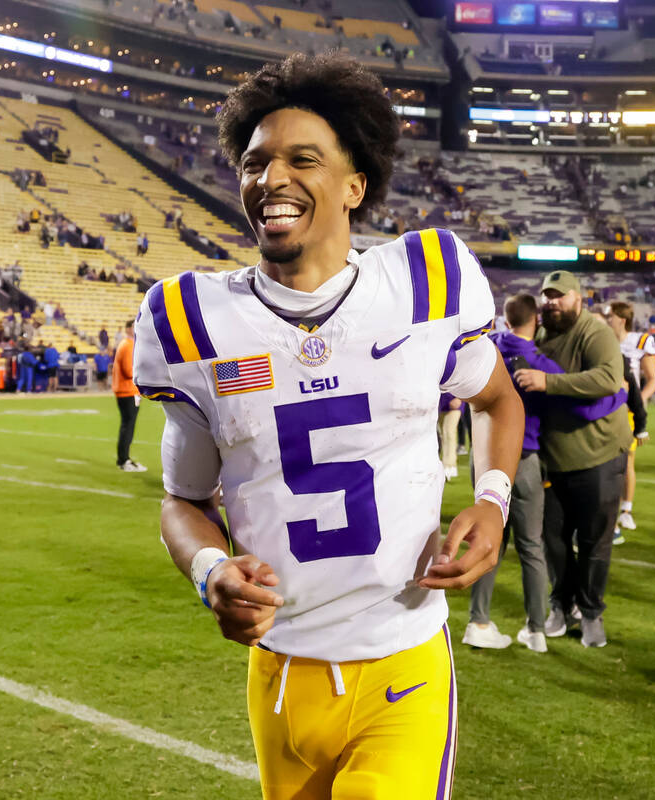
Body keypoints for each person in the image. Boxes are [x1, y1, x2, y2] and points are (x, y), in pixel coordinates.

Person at [133, 52, 523, 800]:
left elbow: (499, 398)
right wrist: (211, 573)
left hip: (401, 658)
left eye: (301, 160)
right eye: (255, 163)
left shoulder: (425, 280)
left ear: (355, 185)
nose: (270, 179)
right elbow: (183, 501)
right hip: (281, 674)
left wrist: (493, 499)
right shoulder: (190, 320)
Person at [468, 293, 627, 653]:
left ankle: (478, 622)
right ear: (535, 321)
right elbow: (588, 409)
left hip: (482, 460)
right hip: (521, 458)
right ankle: (537, 630)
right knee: (532, 547)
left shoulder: (487, 348)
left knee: (488, 540)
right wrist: (620, 395)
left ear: (504, 320)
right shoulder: (536, 364)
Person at [514, 271, 631, 648]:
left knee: (595, 541)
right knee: (554, 541)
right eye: (547, 296)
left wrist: (549, 383)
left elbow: (609, 379)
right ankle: (561, 606)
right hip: (553, 460)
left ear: (578, 299)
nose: (552, 302)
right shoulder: (541, 336)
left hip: (598, 456)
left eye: (560, 296)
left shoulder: (594, 333)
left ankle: (592, 611)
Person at [606, 302, 655, 536]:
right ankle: (614, 515)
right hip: (605, 408)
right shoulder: (602, 339)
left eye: (611, 316)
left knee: (625, 463)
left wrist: (639, 400)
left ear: (622, 320)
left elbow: (652, 378)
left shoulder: (640, 341)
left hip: (627, 411)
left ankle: (624, 511)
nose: (608, 320)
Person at [113, 320, 146, 472]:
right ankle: (124, 460)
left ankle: (124, 459)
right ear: (128, 329)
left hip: (127, 391)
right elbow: (128, 370)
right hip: (128, 391)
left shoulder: (127, 344)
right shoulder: (127, 345)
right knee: (128, 426)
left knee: (128, 426)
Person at [438, 393, 462, 479]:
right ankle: (445, 465)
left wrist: (460, 398)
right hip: (440, 402)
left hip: (455, 401)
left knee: (449, 432)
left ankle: (450, 466)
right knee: (443, 435)